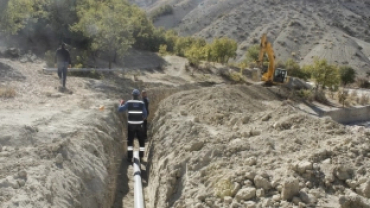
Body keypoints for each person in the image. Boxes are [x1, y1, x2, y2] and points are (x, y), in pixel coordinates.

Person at [118, 89, 148, 163]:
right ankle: (141, 157)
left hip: (131, 125)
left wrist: (121, 103)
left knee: (130, 141)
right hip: (140, 125)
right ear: (138, 95)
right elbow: (145, 114)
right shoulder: (141, 103)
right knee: (141, 141)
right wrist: (142, 118)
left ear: (132, 95)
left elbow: (120, 109)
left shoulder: (129, 102)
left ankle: (129, 157)